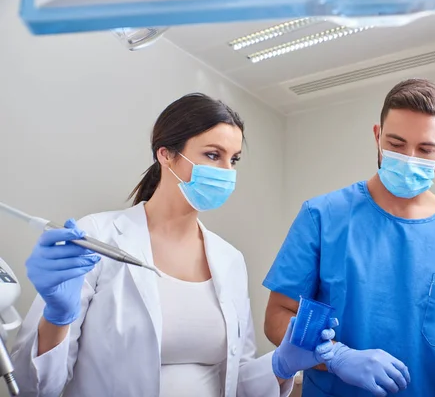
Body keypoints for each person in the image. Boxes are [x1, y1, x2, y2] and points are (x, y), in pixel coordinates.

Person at [10, 93, 336, 397]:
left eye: (233, 159)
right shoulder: (97, 236)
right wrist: (56, 317)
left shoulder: (229, 259)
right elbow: (33, 386)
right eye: (212, 155)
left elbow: (235, 380)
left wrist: (280, 363)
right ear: (165, 154)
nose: (227, 172)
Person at [262, 79, 435, 397]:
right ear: (377, 137)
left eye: (425, 148)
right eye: (396, 144)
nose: (409, 158)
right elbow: (278, 314)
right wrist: (336, 357)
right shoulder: (322, 217)